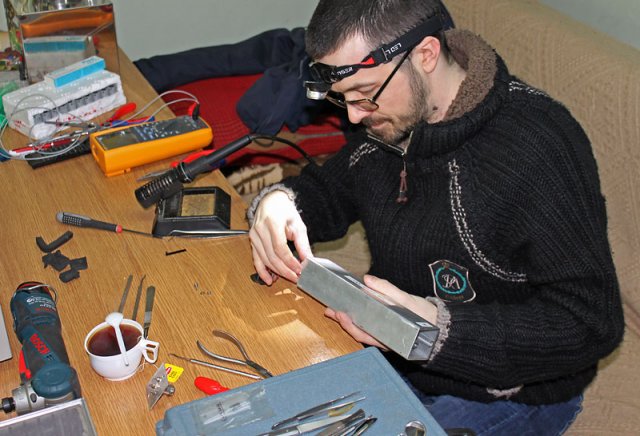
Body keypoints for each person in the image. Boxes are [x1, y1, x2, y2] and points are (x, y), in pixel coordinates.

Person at [247, 0, 625, 433]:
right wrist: (280, 204)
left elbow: (590, 322)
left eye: (365, 93)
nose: (353, 115)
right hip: (395, 355)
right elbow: (327, 192)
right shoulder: (390, 123)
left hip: (512, 389)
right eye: (341, 97)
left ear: (425, 54)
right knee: (259, 408)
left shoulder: (539, 147)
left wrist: (437, 331)